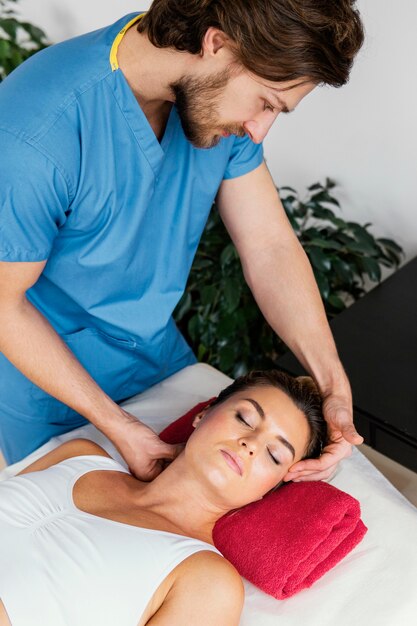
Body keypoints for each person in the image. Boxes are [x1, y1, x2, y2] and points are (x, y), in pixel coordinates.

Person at [0, 1, 364, 482]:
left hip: (159, 361)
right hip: (52, 394)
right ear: (217, 44)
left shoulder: (209, 98)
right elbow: (4, 305)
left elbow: (268, 244)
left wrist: (332, 382)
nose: (259, 129)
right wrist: (119, 426)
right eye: (267, 102)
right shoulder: (35, 135)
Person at [0, 370, 327, 626]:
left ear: (269, 489)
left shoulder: (208, 582)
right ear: (204, 414)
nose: (251, 443)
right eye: (244, 419)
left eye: (273, 454)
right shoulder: (80, 456)